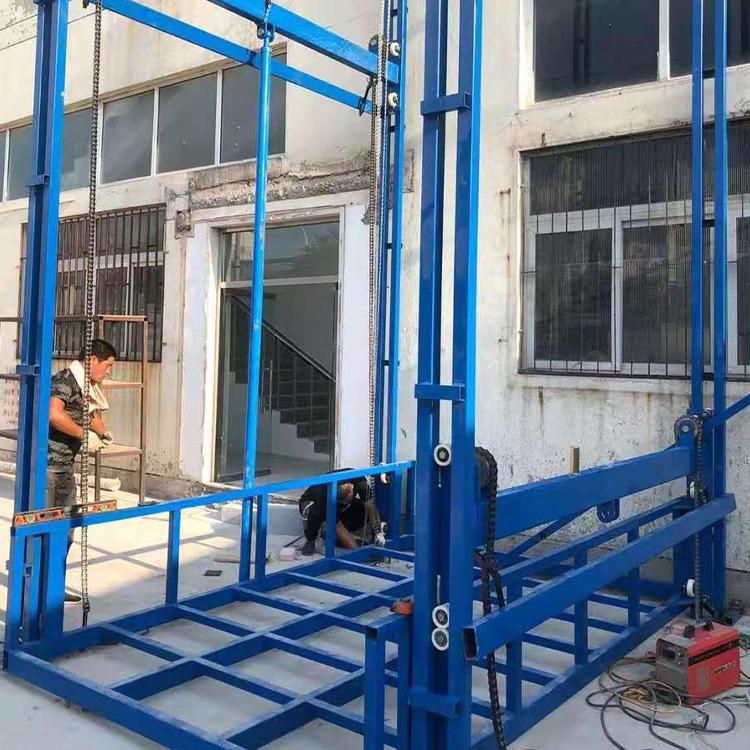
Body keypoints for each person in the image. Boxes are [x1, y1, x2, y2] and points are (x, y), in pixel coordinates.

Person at [48, 339, 116, 601]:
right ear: (92, 360)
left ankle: (54, 587)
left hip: (64, 467)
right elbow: (54, 414)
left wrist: (104, 433)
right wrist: (82, 435)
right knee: (46, 531)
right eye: (107, 365)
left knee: (65, 531)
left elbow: (90, 414)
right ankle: (40, 591)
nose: (108, 371)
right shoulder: (65, 381)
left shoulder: (85, 385)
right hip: (49, 469)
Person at [298, 473, 369, 556]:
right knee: (316, 512)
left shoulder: (359, 480)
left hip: (335, 503)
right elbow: (338, 526)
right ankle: (310, 540)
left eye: (347, 498)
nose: (345, 502)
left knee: (362, 507)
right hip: (313, 503)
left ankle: (334, 534)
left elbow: (370, 504)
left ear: (352, 488)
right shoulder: (323, 494)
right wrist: (358, 552)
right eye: (342, 499)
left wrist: (378, 532)